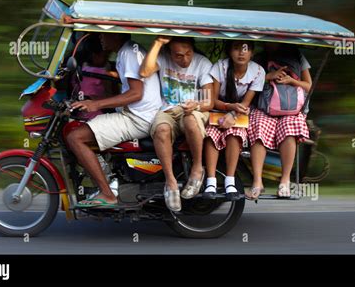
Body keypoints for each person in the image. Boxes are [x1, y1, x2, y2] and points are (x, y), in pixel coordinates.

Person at [67, 33, 162, 208]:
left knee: (75, 137)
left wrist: (96, 104)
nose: (101, 37)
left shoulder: (128, 53)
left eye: (105, 32)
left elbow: (136, 93)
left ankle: (107, 194)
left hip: (138, 118)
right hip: (139, 114)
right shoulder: (127, 51)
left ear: (117, 34)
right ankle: (109, 177)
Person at [140, 36, 214, 212]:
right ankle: (171, 182)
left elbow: (208, 101)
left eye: (188, 54)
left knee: (190, 120)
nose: (185, 59)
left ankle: (197, 168)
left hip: (193, 110)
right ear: (169, 53)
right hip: (167, 111)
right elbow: (144, 72)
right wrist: (157, 43)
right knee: (161, 129)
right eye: (179, 56)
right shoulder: (163, 57)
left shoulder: (202, 63)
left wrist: (195, 104)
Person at [246, 43, 312, 200]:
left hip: (292, 110)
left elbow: (308, 86)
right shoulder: (258, 59)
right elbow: (245, 85)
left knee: (289, 129)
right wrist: (268, 77)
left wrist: (292, 81)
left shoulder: (297, 56)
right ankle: (257, 182)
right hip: (265, 109)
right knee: (258, 126)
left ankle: (285, 181)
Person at [203, 40, 265, 200]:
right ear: (230, 51)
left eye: (245, 49)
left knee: (234, 134)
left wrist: (233, 115)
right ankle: (211, 181)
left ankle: (230, 181)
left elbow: (246, 103)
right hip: (218, 109)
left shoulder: (258, 71)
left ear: (251, 52)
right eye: (236, 48)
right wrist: (229, 108)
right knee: (211, 133)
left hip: (240, 113)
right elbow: (213, 100)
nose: (241, 53)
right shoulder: (220, 67)